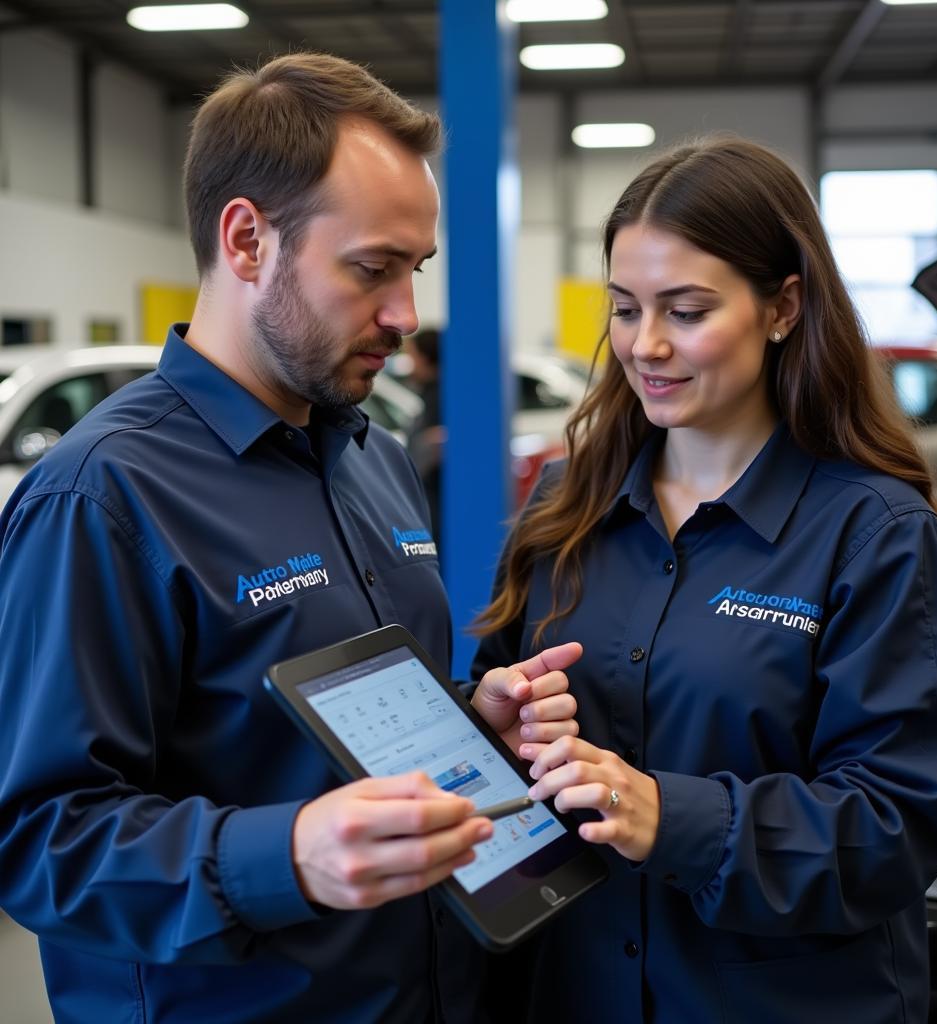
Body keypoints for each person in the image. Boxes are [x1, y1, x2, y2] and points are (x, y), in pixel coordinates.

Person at [0, 53, 582, 1024]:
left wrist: (469, 725)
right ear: (245, 241)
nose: (404, 316)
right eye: (371, 269)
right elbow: (37, 838)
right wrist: (288, 855)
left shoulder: (375, 457)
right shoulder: (102, 497)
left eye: (416, 270)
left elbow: (330, 727)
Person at [472, 136, 937, 1023]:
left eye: (686, 310)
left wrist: (665, 815)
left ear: (783, 306)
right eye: (627, 309)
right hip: (577, 993)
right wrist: (489, 723)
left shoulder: (874, 534)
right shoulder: (568, 504)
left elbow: (895, 828)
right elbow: (504, 745)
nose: (646, 346)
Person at [405, 327, 444, 536]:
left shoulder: (439, 398)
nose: (410, 367)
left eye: (413, 357)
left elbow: (435, 443)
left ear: (426, 358)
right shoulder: (431, 395)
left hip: (436, 507)